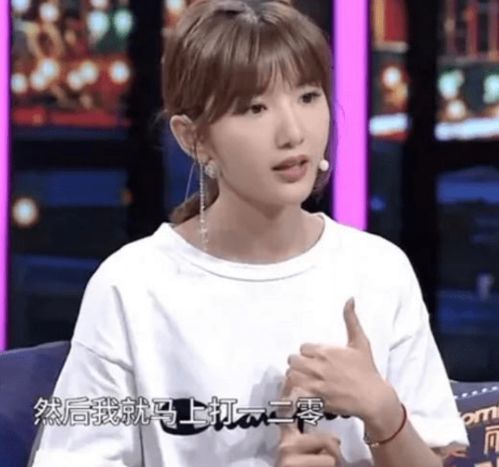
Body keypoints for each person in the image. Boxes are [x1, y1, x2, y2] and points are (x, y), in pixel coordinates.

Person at [30, 1, 469, 466]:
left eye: (308, 96)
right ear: (194, 138)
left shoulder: (379, 271)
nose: (293, 132)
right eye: (255, 107)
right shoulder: (133, 287)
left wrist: (383, 413)